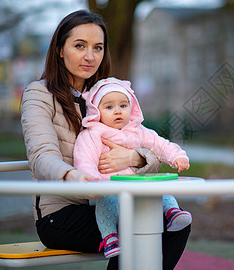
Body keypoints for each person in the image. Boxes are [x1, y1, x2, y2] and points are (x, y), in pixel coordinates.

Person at [21, 9, 190, 270]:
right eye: (80, 45)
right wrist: (74, 177)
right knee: (142, 225)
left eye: (97, 48)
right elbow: (41, 155)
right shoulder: (39, 94)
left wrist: (136, 157)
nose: (90, 56)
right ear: (60, 50)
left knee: (176, 223)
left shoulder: (107, 95)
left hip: (111, 199)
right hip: (61, 214)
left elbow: (145, 140)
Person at [73, 77, 192, 258]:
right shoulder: (92, 134)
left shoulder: (138, 131)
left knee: (160, 189)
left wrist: (177, 156)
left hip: (137, 186)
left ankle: (172, 212)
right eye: (109, 107)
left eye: (123, 105)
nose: (118, 111)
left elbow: (159, 144)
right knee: (106, 204)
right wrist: (91, 180)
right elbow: (84, 159)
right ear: (96, 111)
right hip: (107, 187)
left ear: (132, 107)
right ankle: (110, 237)